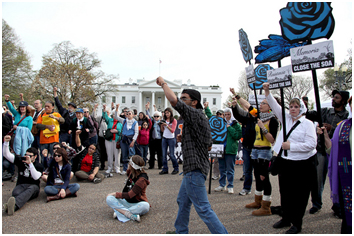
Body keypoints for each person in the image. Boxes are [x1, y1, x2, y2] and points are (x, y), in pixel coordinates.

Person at [156, 76, 228, 234]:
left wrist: (163, 83)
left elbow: (174, 101)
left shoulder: (195, 115)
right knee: (183, 201)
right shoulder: (201, 118)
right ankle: (180, 230)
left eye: (184, 98)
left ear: (194, 102)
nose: (181, 100)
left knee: (203, 208)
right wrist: (187, 138)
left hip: (194, 169)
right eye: (181, 97)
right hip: (194, 168)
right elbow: (208, 145)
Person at [263, 82, 317, 234]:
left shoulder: (307, 124)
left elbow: (311, 144)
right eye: (291, 106)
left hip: (302, 164)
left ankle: (297, 223)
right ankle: (286, 218)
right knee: (285, 191)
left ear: (302, 109)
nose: (293, 109)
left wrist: (291, 146)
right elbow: (274, 106)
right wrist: (267, 91)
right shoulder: (286, 118)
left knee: (299, 194)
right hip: (286, 162)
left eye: (296, 107)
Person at [305, 90, 350, 215]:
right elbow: (310, 114)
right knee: (317, 180)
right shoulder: (325, 111)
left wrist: (332, 128)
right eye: (333, 97)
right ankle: (316, 204)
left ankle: (338, 206)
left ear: (343, 101)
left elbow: (347, 131)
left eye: (337, 97)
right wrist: (304, 107)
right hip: (321, 151)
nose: (333, 99)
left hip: (337, 152)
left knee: (337, 179)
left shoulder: (346, 116)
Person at [235, 96, 278, 216]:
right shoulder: (258, 115)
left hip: (265, 150)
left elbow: (272, 139)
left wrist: (263, 128)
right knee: (257, 175)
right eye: (261, 103)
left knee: (264, 177)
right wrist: (237, 97)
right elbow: (248, 106)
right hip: (255, 150)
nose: (261, 105)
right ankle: (257, 201)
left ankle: (266, 205)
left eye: (264, 103)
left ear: (270, 107)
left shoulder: (273, 120)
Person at [318, 96, 352, 234]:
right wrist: (325, 135)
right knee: (348, 220)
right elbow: (333, 150)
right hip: (348, 180)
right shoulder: (344, 126)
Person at [204, 103, 242, 194]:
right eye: (225, 115)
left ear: (231, 115)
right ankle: (222, 185)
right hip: (220, 148)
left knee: (230, 169)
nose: (227, 116)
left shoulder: (236, 124)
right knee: (221, 168)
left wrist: (230, 128)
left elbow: (238, 136)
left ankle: (230, 185)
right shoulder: (221, 122)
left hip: (230, 149)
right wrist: (206, 108)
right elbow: (211, 117)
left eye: (228, 114)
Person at [3, 135, 44, 215]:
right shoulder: (21, 160)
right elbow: (6, 155)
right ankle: (11, 205)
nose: (27, 157)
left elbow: (36, 177)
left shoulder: (38, 165)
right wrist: (6, 142)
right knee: (15, 193)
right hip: (21, 185)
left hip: (33, 187)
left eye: (30, 156)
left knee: (30, 190)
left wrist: (30, 164)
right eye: (26, 155)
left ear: (35, 157)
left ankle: (14, 206)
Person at [106, 155, 150, 223]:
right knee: (109, 198)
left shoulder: (142, 179)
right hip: (126, 201)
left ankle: (120, 213)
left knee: (146, 206)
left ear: (132, 165)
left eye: (130, 163)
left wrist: (115, 193)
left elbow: (130, 195)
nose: (128, 164)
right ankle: (129, 214)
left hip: (137, 202)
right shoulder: (130, 172)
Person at [229, 89, 257, 196]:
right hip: (247, 147)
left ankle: (260, 191)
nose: (246, 110)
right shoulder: (246, 118)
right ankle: (246, 188)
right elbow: (237, 116)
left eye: (248, 108)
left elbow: (248, 107)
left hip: (257, 148)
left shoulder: (257, 117)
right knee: (247, 170)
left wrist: (236, 95)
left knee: (258, 171)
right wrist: (235, 106)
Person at [36, 101, 65, 169]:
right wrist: (47, 126)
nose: (46, 108)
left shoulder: (56, 114)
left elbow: (63, 120)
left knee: (55, 156)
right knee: (43, 156)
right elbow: (38, 125)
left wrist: (55, 118)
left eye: (48, 106)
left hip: (54, 140)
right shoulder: (42, 115)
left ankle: (54, 170)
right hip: (44, 140)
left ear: (52, 107)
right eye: (45, 106)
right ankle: (44, 170)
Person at [116, 106, 138, 175]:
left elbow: (136, 132)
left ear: (133, 114)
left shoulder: (135, 122)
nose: (128, 115)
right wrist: (116, 108)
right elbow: (116, 117)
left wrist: (133, 141)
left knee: (131, 155)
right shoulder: (124, 121)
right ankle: (125, 169)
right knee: (124, 155)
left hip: (131, 139)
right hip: (124, 139)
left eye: (130, 113)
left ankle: (132, 170)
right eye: (127, 113)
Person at [102, 104, 123, 174]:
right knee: (109, 154)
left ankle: (117, 168)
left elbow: (123, 130)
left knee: (117, 155)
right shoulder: (110, 120)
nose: (114, 115)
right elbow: (104, 116)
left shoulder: (121, 122)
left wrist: (117, 131)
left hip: (117, 140)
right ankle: (109, 167)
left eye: (116, 114)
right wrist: (104, 109)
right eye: (113, 114)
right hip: (109, 140)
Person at [159, 107, 179, 175]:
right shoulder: (164, 120)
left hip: (171, 138)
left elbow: (172, 130)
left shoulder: (174, 120)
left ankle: (176, 168)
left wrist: (166, 125)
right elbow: (162, 130)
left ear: (171, 113)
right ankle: (165, 169)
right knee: (164, 155)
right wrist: (162, 125)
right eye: (166, 113)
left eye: (168, 113)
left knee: (172, 155)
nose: (167, 114)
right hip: (164, 138)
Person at [145, 102, 163, 170]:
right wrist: (147, 109)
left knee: (159, 153)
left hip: (159, 139)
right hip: (153, 139)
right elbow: (148, 116)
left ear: (159, 117)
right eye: (155, 116)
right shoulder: (152, 122)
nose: (156, 117)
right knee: (151, 153)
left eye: (157, 116)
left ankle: (160, 165)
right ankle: (151, 165)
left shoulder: (161, 122)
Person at [92, 103, 108, 170]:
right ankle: (102, 165)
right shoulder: (100, 118)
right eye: (104, 112)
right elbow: (94, 117)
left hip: (109, 137)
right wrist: (95, 108)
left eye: (107, 112)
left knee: (108, 152)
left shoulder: (110, 119)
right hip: (101, 137)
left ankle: (110, 166)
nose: (105, 113)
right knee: (102, 151)